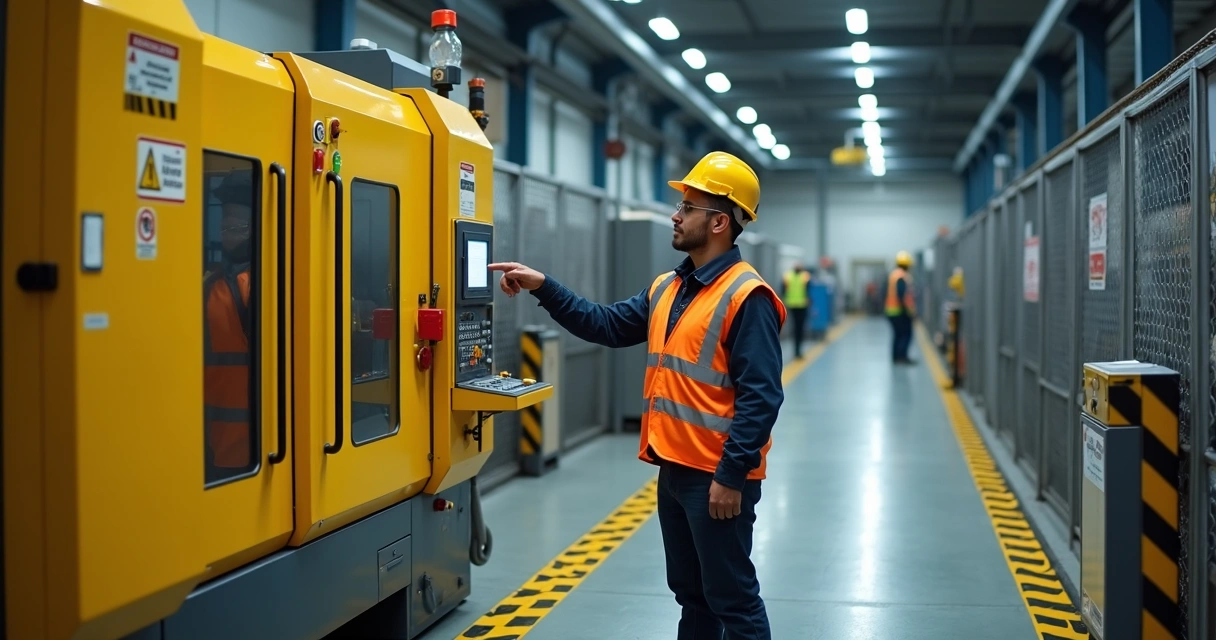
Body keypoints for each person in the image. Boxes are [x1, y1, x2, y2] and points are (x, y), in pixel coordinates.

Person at [490, 151, 786, 639]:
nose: (675, 214)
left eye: (687, 207)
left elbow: (762, 398)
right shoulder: (670, 287)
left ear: (717, 222)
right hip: (674, 469)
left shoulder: (746, 296)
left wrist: (731, 476)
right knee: (693, 595)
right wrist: (544, 286)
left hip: (716, 477)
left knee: (731, 597)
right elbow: (604, 323)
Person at [203, 169, 256, 483]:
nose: (225, 234)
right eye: (223, 226)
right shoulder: (214, 283)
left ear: (252, 230)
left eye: (234, 227)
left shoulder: (250, 286)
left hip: (242, 448)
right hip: (218, 442)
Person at [885, 250, 916, 364]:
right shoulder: (902, 277)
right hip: (900, 312)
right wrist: (909, 311)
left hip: (891, 311)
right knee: (906, 334)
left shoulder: (894, 275)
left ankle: (896, 357)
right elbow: (902, 295)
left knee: (897, 335)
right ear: (907, 265)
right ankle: (902, 357)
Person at [780, 262, 812, 357]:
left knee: (798, 328)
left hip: (799, 305)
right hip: (796, 305)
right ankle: (797, 350)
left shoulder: (800, 276)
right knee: (798, 328)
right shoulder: (802, 276)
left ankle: (798, 350)